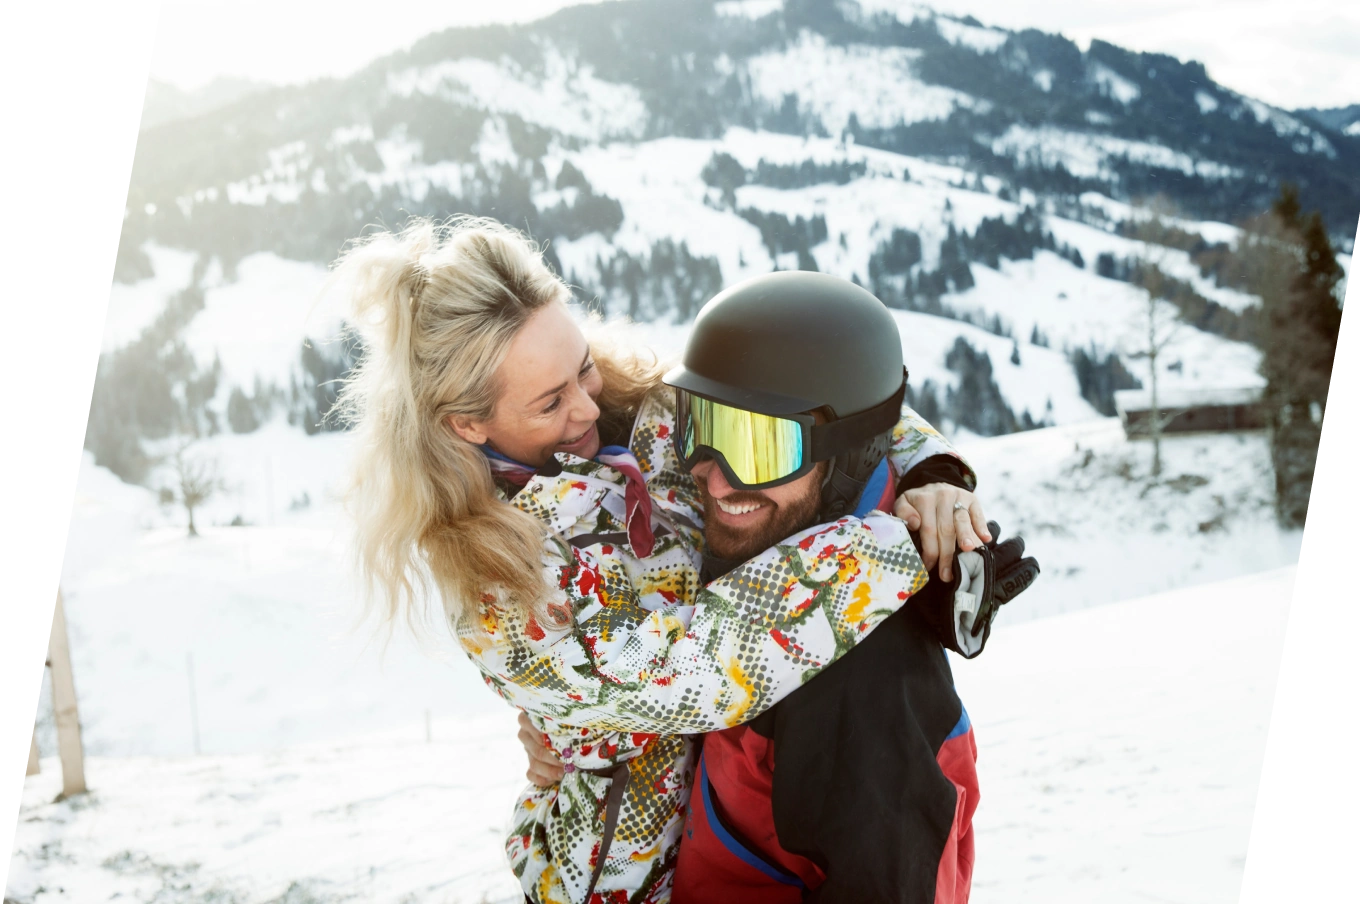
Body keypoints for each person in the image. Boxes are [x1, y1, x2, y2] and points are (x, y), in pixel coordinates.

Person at [334, 217, 991, 904]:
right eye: (551, 401)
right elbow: (704, 668)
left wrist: (932, 478)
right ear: (466, 424)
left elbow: (811, 403)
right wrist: (899, 547)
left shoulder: (628, 412)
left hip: (731, 829)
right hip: (622, 883)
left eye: (581, 364)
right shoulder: (499, 586)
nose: (588, 405)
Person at [522, 272, 1040, 903]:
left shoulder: (864, 678)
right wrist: (576, 732)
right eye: (700, 430)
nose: (714, 482)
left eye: (760, 451)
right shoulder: (742, 554)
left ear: (849, 452)